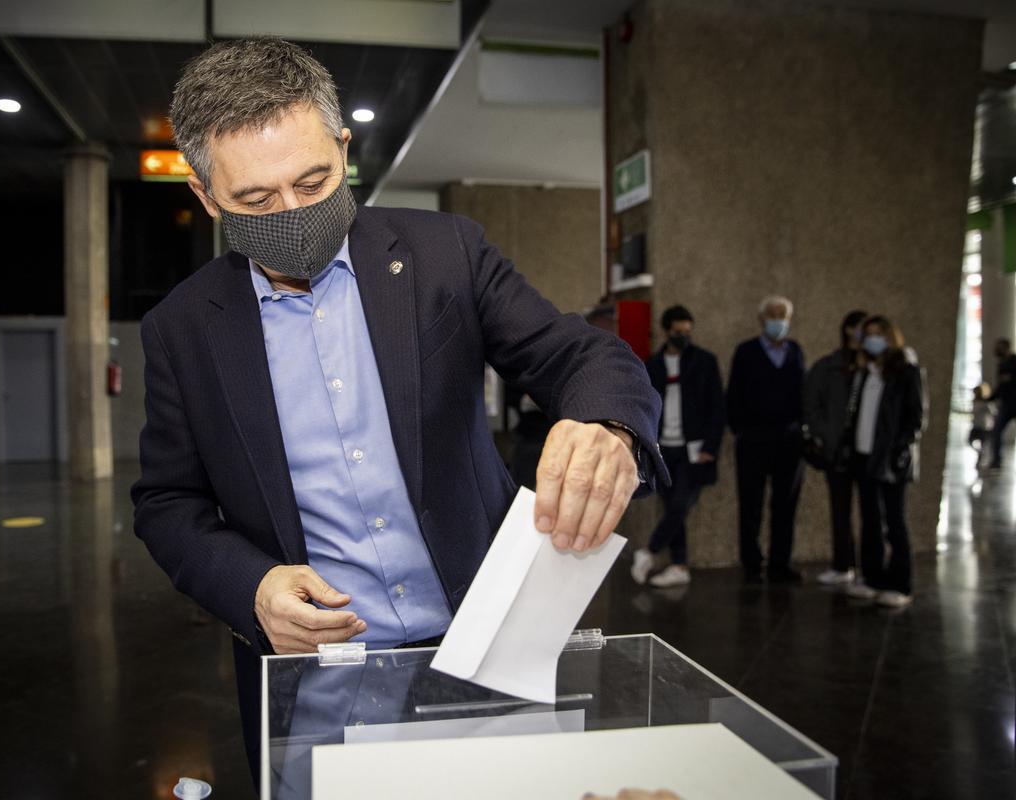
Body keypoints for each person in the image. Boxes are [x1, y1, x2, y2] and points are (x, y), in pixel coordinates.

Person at [131, 38, 666, 778]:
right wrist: (251, 587)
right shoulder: (183, 329)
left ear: (344, 148)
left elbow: (583, 356)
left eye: (314, 181)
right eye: (255, 200)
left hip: (491, 646)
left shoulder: (445, 252)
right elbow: (166, 501)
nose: (289, 214)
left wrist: (607, 425)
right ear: (203, 193)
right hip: (316, 678)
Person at [631, 305, 725, 588]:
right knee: (673, 506)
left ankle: (649, 551)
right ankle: (679, 565)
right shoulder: (652, 365)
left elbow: (717, 408)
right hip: (663, 448)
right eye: (677, 332)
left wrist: (711, 445)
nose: (683, 336)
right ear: (666, 331)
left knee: (681, 503)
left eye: (687, 332)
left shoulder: (704, 362)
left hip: (693, 449)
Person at [843, 316, 926, 608]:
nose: (873, 340)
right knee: (869, 521)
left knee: (894, 521)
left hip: (891, 460)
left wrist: (899, 450)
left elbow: (915, 418)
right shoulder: (865, 371)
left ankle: (900, 583)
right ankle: (873, 578)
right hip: (864, 457)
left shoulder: (906, 370)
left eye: (879, 334)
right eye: (869, 335)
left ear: (891, 337)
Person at [726, 296, 805, 584]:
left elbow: (802, 393)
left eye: (783, 315)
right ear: (762, 319)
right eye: (773, 315)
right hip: (754, 439)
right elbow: (733, 394)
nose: (778, 320)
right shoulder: (746, 351)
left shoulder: (795, 351)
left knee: (785, 505)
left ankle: (780, 563)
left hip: (789, 440)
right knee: (751, 503)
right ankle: (751, 562)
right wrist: (741, 430)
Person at [802, 310, 868, 586]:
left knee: (873, 515)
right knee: (840, 510)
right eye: (852, 328)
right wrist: (824, 436)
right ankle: (843, 565)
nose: (856, 335)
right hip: (837, 450)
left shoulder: (875, 369)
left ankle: (869, 570)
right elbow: (810, 404)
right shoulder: (828, 366)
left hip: (867, 452)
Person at [990, 338, 1016, 468]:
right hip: (1006, 405)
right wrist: (990, 397)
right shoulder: (1001, 364)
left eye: (999, 347)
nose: (997, 350)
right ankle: (997, 461)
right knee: (996, 431)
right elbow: (1001, 387)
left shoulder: (1013, 362)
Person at [969, 383, 993, 468]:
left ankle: (982, 458)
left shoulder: (985, 403)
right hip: (976, 425)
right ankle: (980, 453)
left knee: (983, 443)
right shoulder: (974, 401)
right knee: (970, 441)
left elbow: (992, 412)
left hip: (984, 426)